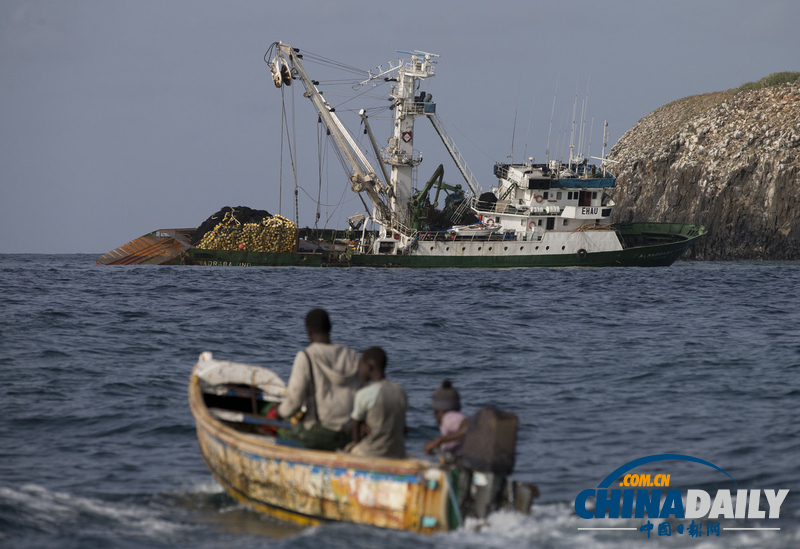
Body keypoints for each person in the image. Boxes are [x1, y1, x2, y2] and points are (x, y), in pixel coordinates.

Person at [277, 309, 360, 451]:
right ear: (330, 328)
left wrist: (279, 413)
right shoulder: (352, 356)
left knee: (282, 432)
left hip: (319, 435)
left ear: (308, 331)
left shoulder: (306, 357)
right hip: (349, 434)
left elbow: (294, 403)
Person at [349, 347, 407, 459]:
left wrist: (360, 433)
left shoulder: (364, 394)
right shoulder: (400, 391)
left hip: (372, 452)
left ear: (369, 367)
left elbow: (355, 431)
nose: (360, 369)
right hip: (397, 452)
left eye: (361, 365)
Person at [423, 380, 469, 456]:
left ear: (436, 411)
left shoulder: (448, 417)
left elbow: (468, 426)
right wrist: (437, 446)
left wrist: (440, 440)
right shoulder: (453, 429)